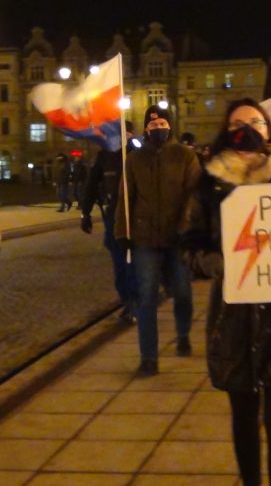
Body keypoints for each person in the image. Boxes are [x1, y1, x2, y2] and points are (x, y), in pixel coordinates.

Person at [181, 98, 271, 486]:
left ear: (269, 130)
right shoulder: (209, 184)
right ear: (226, 131)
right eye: (238, 123)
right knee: (244, 418)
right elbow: (189, 246)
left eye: (255, 121)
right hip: (233, 319)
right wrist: (218, 263)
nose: (247, 129)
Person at [114, 105, 201, 376]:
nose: (157, 128)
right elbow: (125, 199)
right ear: (145, 129)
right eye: (152, 125)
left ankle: (183, 333)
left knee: (183, 292)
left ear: (170, 126)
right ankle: (148, 358)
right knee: (146, 297)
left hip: (177, 237)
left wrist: (186, 227)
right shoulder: (135, 159)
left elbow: (194, 193)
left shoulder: (185, 155)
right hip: (145, 237)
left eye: (162, 123)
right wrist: (122, 232)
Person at [80, 121, 138, 323]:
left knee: (135, 261)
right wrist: (85, 212)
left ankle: (137, 301)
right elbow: (92, 182)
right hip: (113, 217)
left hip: (137, 217)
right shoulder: (105, 155)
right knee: (120, 263)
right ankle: (128, 302)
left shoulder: (137, 152)